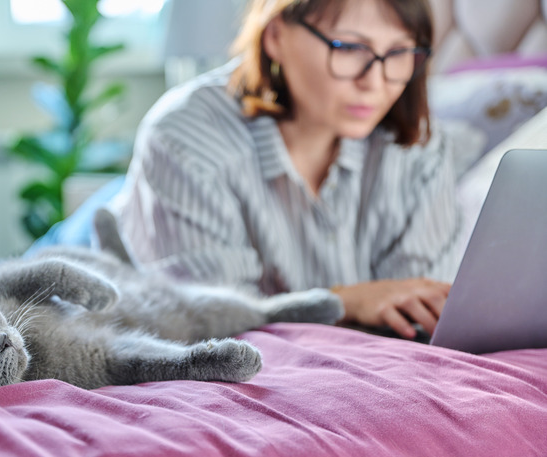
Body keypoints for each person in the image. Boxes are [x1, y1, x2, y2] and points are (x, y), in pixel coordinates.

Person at [109, 0, 465, 340]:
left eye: (400, 53)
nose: (374, 82)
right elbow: (209, 323)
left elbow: (417, 308)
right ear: (275, 36)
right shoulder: (186, 135)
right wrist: (344, 302)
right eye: (350, 48)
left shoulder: (420, 146)